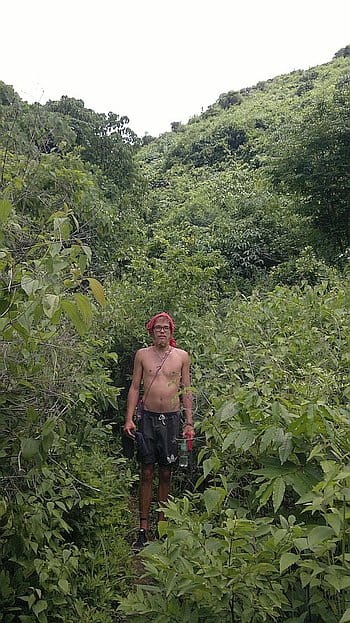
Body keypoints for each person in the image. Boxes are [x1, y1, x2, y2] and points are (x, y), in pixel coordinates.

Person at [124, 312, 194, 550]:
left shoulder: (181, 357)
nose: (162, 331)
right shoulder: (142, 355)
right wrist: (129, 419)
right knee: (146, 472)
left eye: (165, 328)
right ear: (151, 332)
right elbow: (135, 387)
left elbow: (186, 390)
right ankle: (143, 528)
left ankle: (162, 525)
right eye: (157, 328)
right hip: (148, 420)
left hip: (172, 420)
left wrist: (188, 422)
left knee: (166, 473)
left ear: (171, 332)